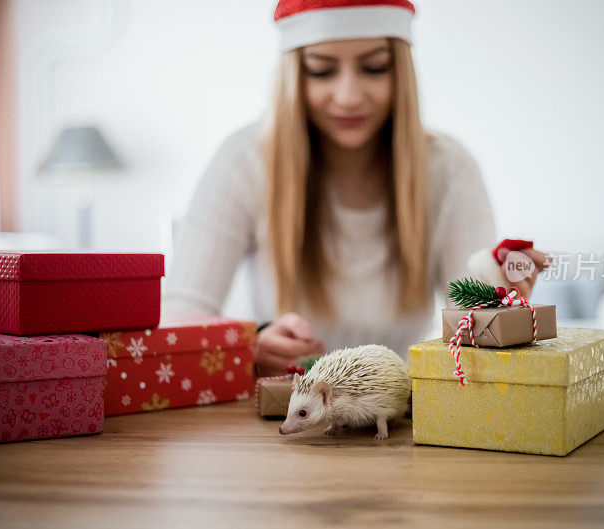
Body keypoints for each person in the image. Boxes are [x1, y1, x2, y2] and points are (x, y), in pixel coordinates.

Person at [165, 0, 549, 376]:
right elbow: (178, 317)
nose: (348, 96)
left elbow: (471, 325)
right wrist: (249, 345)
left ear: (400, 69)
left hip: (401, 415)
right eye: (321, 70)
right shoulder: (245, 161)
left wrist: (498, 301)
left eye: (374, 67)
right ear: (294, 73)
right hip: (282, 416)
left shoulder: (449, 170)